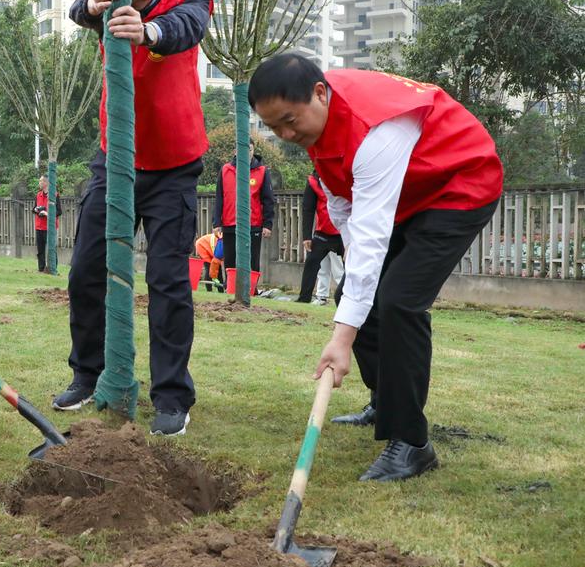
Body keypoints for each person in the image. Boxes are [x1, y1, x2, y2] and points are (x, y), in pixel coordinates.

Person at [249, 53, 503, 481]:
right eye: (274, 128)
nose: (286, 134)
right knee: (358, 294)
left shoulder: (375, 130)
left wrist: (340, 340)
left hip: (461, 182)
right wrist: (354, 285)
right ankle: (385, 403)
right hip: (411, 194)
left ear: (319, 93)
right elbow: (341, 202)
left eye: (290, 122)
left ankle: (411, 443)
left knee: (399, 300)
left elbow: (372, 233)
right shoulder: (319, 123)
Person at [54, 0, 212, 437]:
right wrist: (88, 5)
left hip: (174, 165)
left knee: (167, 281)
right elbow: (79, 10)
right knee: (84, 269)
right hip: (113, 157)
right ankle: (88, 372)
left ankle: (171, 395)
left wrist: (148, 31)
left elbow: (189, 28)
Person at [212, 144, 275, 281]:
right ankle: (230, 288)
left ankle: (251, 290)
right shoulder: (225, 170)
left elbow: (268, 200)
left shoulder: (262, 171)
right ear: (235, 151)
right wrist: (216, 222)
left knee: (252, 261)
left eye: (249, 149)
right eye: (242, 149)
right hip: (229, 223)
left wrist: (267, 224)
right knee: (230, 261)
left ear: (253, 151)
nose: (246, 153)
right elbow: (219, 198)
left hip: (253, 225)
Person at [296, 170, 345, 304]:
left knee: (350, 269)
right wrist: (306, 237)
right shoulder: (313, 182)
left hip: (344, 232)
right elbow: (308, 209)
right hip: (322, 234)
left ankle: (350, 301)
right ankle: (303, 300)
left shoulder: (345, 177)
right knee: (311, 263)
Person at [32, 174, 62, 273]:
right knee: (40, 250)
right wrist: (36, 209)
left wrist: (47, 213)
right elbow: (33, 209)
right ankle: (41, 269)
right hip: (39, 226)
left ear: (46, 183)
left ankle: (53, 269)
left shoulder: (54, 195)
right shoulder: (38, 195)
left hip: (50, 227)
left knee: (51, 249)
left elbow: (59, 211)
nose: (39, 183)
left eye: (41, 181)